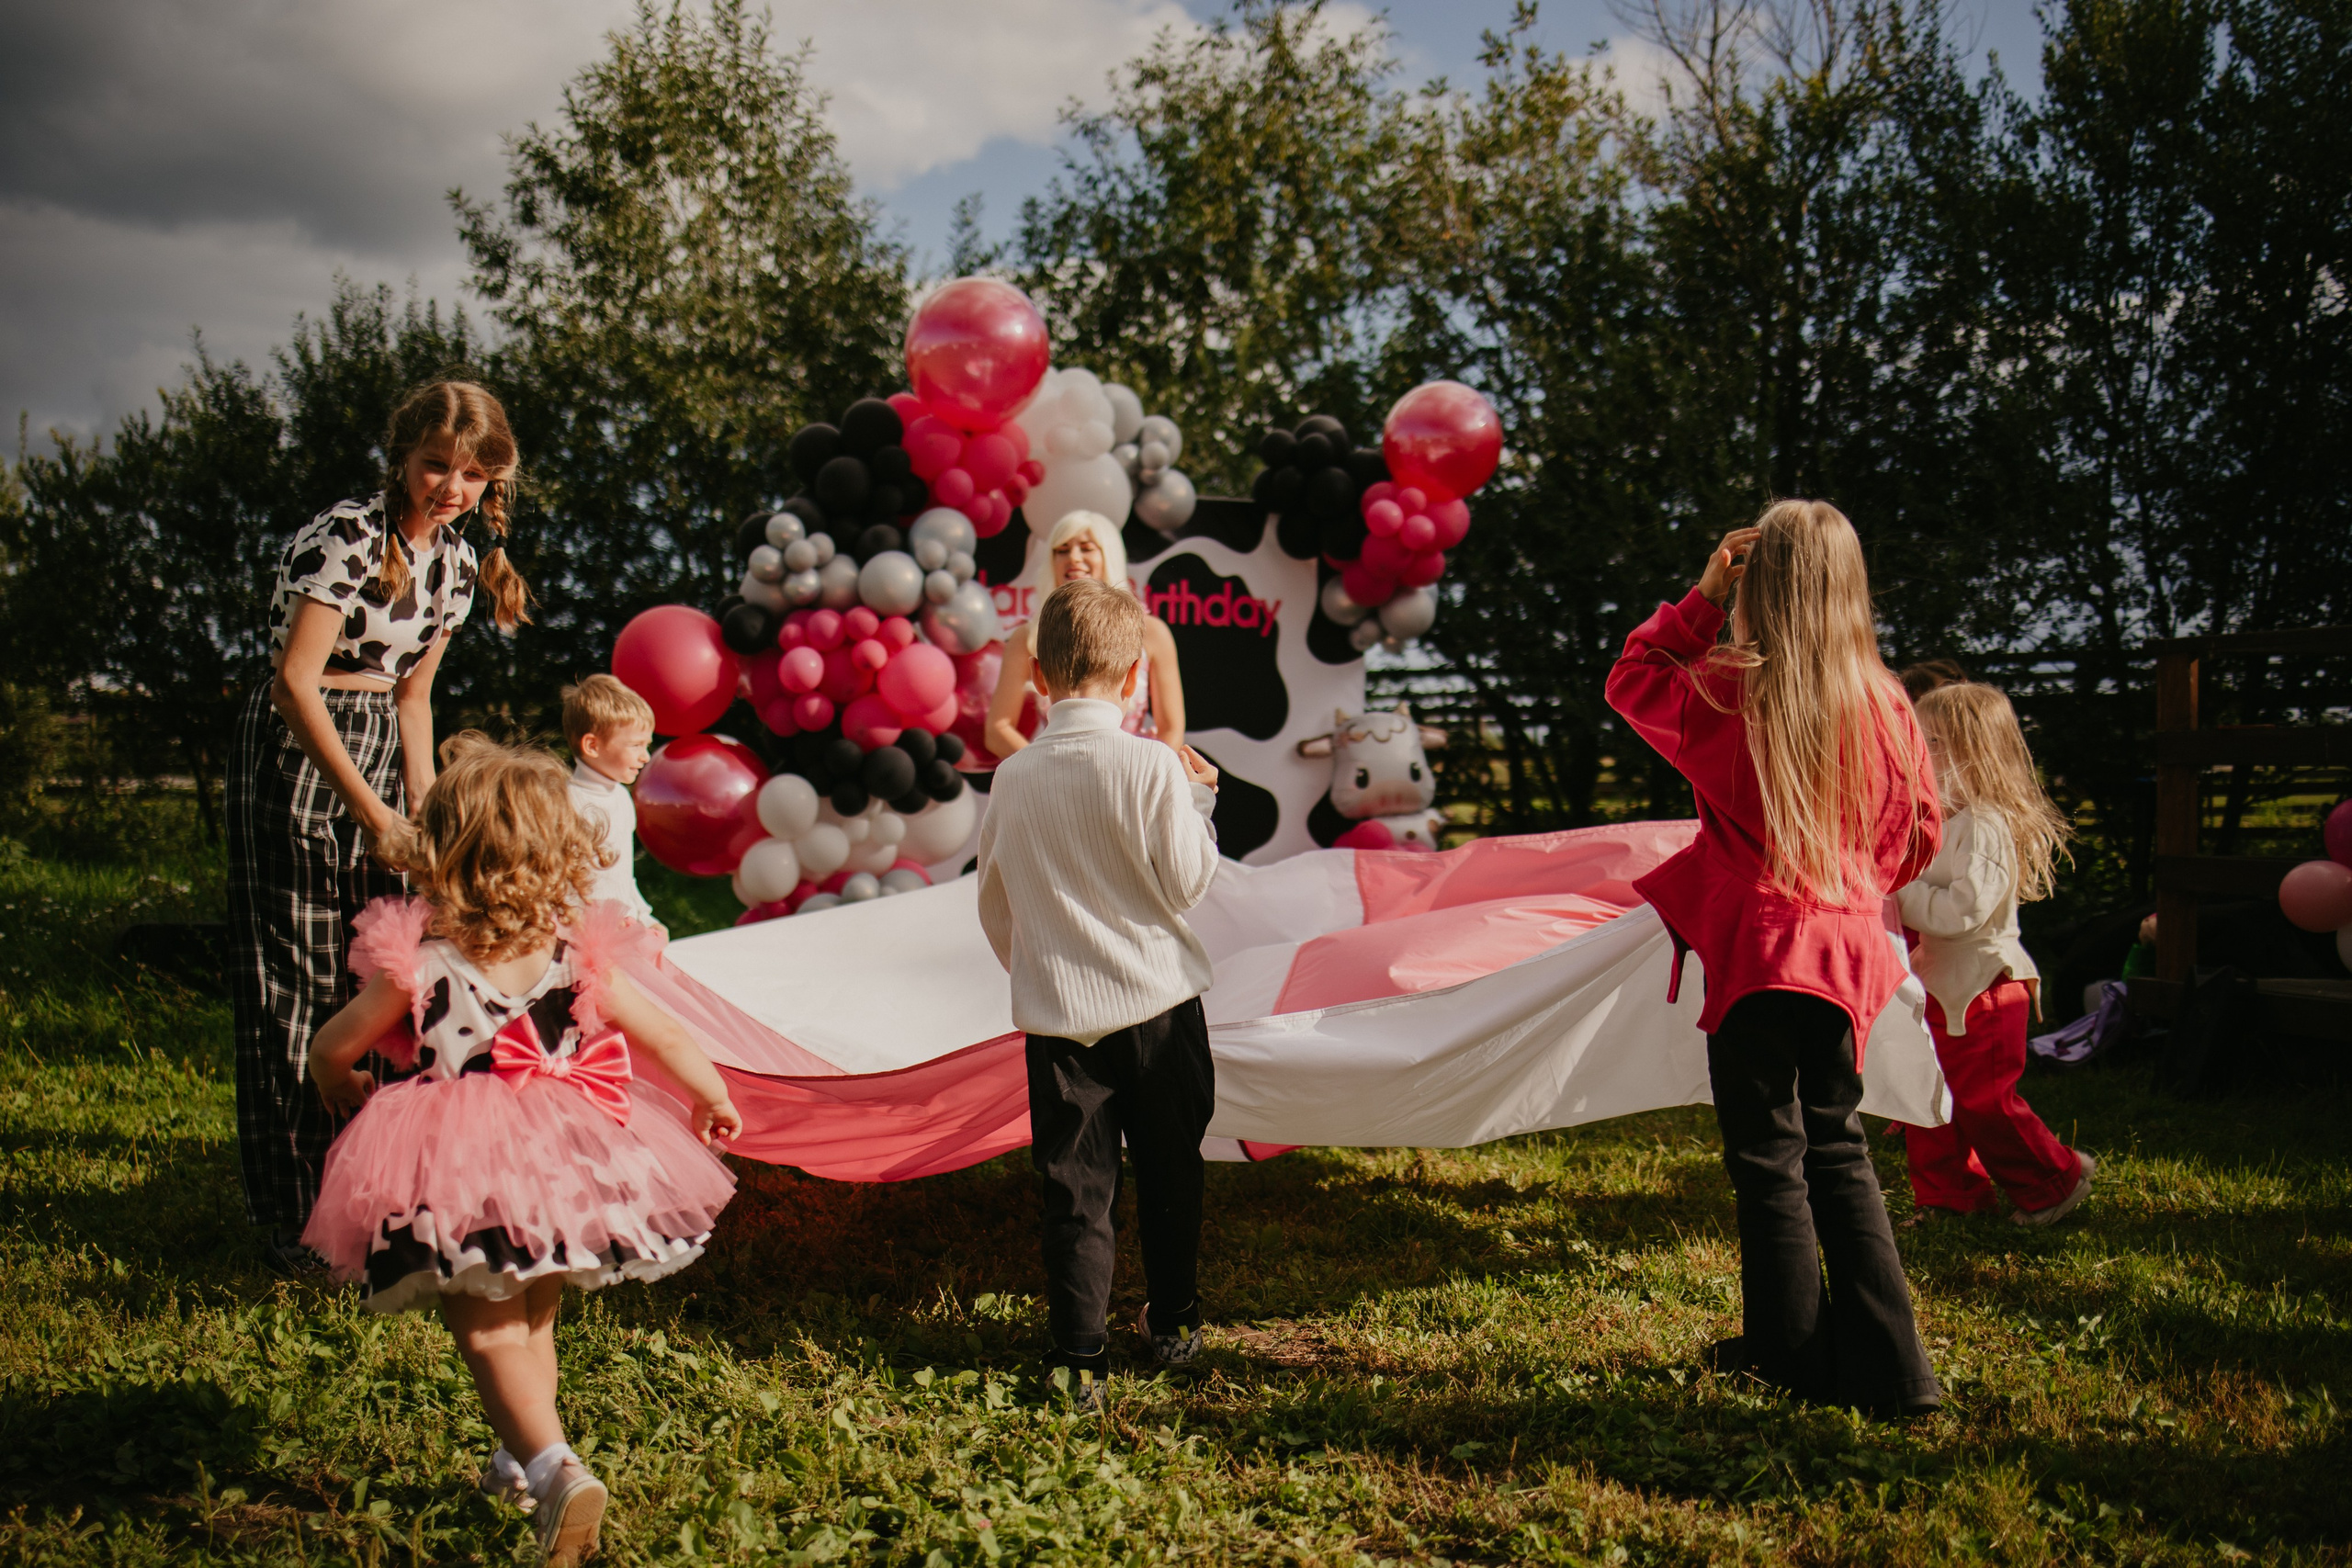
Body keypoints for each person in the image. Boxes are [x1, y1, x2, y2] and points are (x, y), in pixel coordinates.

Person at [300, 735, 741, 1565]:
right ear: (560, 852)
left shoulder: (420, 962)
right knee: (534, 1313)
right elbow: (665, 1034)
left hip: (461, 1165)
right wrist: (710, 1095)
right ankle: (513, 1461)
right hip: (561, 1160)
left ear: (445, 849)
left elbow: (331, 1047)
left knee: (488, 1332)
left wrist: (341, 1087)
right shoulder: (579, 957)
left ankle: (555, 1467)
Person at [1605, 499, 1944, 1418]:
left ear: (1763, 584)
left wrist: (1702, 598)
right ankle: (1897, 1372)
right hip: (1848, 955)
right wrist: (1854, 886)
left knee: (1768, 1159)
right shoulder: (1885, 705)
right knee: (1838, 1150)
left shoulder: (1726, 688)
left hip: (1759, 953)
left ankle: (1786, 1356)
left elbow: (1632, 679)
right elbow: (1919, 835)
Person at [227, 379, 531, 1276]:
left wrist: (425, 825)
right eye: (437, 464)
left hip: (383, 751)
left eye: (472, 473)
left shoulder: (459, 567)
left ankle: (369, 1199)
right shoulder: (350, 535)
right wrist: (368, 811)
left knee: (383, 972)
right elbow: (295, 681)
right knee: (296, 973)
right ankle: (293, 1221)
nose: (451, 486)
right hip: (302, 746)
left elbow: (415, 701)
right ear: (401, 457)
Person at [976, 578, 1223, 1410]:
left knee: (1076, 1189)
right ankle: (1176, 1322)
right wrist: (1200, 799)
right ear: (1132, 679)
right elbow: (1187, 883)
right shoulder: (1155, 764)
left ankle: (1080, 1356)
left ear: (1038, 675)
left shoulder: (1012, 777)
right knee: (1170, 1169)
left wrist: (1041, 963)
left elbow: (995, 901)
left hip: (1059, 1020)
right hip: (1160, 1007)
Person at [1898, 682, 2094, 1225]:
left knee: (1984, 1099)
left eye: (1935, 743)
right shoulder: (1946, 822)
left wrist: (1897, 888)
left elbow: (1961, 912)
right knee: (1930, 1093)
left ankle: (2057, 1179)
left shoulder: (1985, 825)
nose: (1922, 754)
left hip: (1985, 984)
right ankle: (1952, 1198)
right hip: (1942, 981)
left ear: (1973, 752)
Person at [983, 510, 1187, 761]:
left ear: (1108, 555)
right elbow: (997, 729)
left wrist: (1141, 772)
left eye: (1087, 548)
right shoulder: (1029, 637)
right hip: (1055, 784)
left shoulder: (1151, 633)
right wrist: (1047, 770)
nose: (1074, 558)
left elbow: (1172, 729)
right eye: (1062, 550)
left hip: (1127, 779)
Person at [562, 674, 661, 931]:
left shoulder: (621, 797)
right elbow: (561, 881)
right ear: (592, 745)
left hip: (624, 927)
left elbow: (622, 873)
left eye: (646, 745)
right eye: (636, 745)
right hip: (583, 934)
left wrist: (643, 915)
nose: (645, 756)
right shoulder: (567, 804)